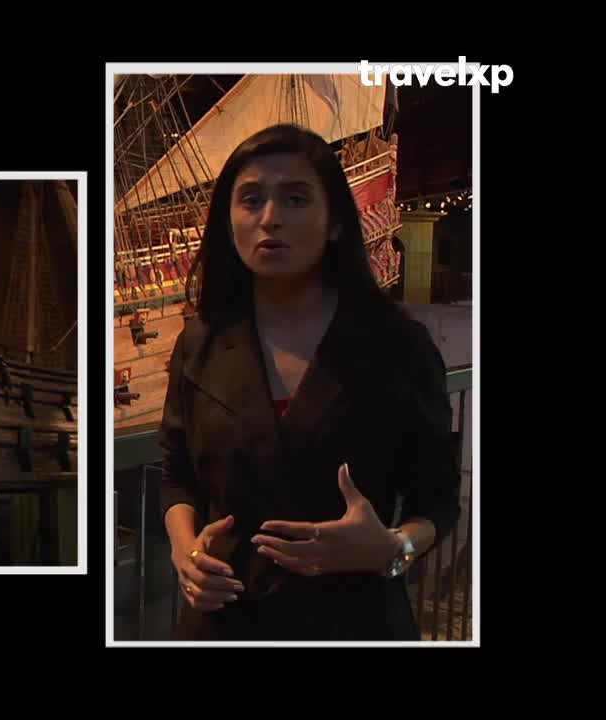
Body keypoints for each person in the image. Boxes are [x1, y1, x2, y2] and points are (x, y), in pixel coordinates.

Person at [159, 124, 461, 641]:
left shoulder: (399, 347)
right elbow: (177, 474)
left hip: (353, 617)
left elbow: (437, 500)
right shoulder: (200, 342)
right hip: (223, 618)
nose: (270, 217)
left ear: (337, 223)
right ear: (228, 221)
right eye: (250, 198)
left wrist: (394, 548)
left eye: (296, 199)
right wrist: (184, 553)